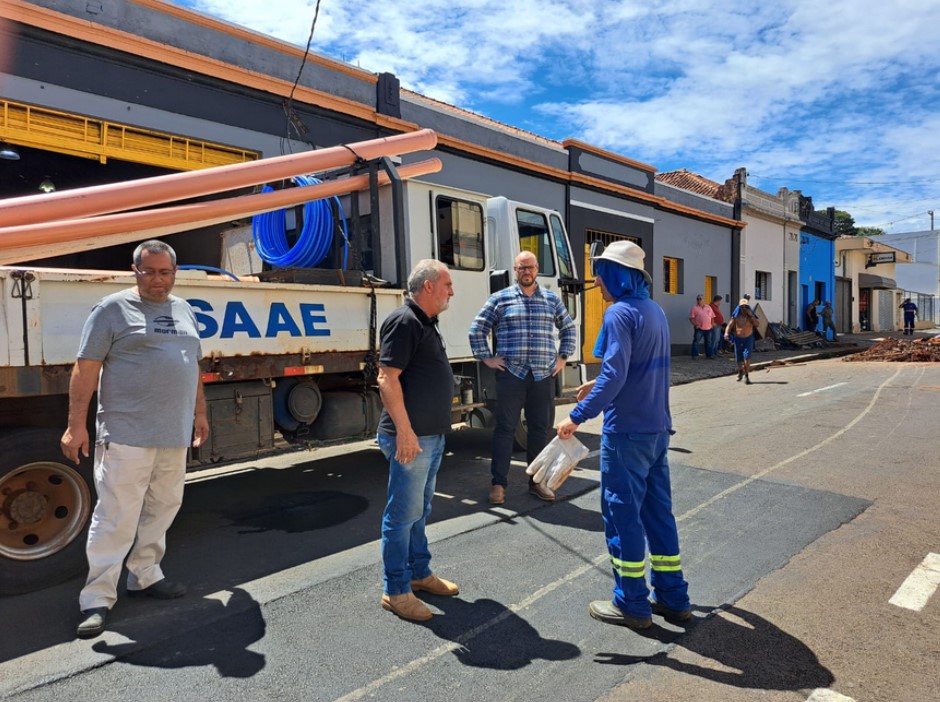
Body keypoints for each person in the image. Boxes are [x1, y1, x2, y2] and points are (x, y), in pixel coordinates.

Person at [61, 240, 209, 639]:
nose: (158, 280)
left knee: (163, 506)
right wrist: (76, 425)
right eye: (150, 272)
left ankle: (145, 574)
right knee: (116, 516)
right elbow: (85, 369)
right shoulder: (111, 309)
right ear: (135, 271)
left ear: (175, 272)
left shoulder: (184, 310)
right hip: (126, 433)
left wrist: (199, 414)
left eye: (165, 272)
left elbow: (192, 366)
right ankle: (96, 598)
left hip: (173, 433)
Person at [556, 240, 691, 630]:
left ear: (617, 275)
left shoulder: (618, 314)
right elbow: (636, 368)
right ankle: (673, 597)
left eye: (601, 275)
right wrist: (596, 384)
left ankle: (631, 603)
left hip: (626, 433)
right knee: (658, 515)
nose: (597, 282)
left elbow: (616, 375)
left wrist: (576, 417)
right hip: (656, 430)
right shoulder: (654, 311)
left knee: (622, 517)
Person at [376, 259, 460, 622]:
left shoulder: (425, 322)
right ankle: (396, 590)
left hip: (430, 435)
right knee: (402, 515)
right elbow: (386, 378)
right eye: (447, 284)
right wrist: (406, 433)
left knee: (419, 511)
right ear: (428, 286)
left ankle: (419, 573)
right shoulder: (405, 321)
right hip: (412, 438)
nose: (451, 291)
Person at [469, 250, 577, 506]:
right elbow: (477, 328)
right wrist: (487, 358)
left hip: (542, 375)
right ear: (515, 270)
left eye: (530, 267)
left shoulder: (551, 299)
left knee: (539, 430)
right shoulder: (500, 299)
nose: (526, 272)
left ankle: (537, 482)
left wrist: (563, 357)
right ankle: (498, 484)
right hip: (512, 375)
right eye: (521, 268)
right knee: (505, 429)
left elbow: (568, 327)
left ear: (537, 269)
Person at [725, 298, 760, 385]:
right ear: (739, 307)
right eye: (742, 307)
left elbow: (757, 325)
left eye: (746, 307)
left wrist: (751, 316)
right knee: (739, 359)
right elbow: (730, 325)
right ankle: (740, 371)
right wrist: (726, 333)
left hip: (748, 339)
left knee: (746, 357)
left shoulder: (751, 316)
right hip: (738, 339)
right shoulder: (736, 316)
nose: (744, 309)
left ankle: (746, 376)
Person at [688, 294, 716, 359]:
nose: (699, 300)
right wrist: (695, 324)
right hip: (699, 328)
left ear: (704, 300)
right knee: (696, 342)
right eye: (697, 299)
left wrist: (712, 324)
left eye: (700, 299)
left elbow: (712, 317)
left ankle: (709, 355)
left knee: (708, 342)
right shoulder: (694, 308)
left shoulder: (708, 307)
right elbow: (691, 318)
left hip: (708, 328)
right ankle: (695, 355)